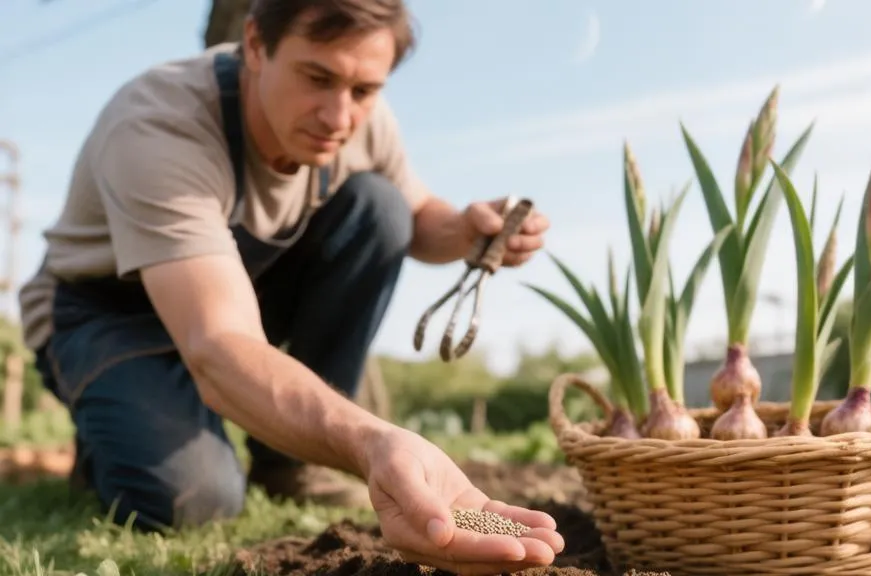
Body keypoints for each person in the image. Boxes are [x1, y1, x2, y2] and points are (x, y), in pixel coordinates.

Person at [17, 0, 563, 573]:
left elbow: (417, 212)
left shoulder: (359, 116)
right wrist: (373, 442)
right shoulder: (160, 123)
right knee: (194, 500)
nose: (338, 116)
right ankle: (113, 427)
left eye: (364, 89)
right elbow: (220, 343)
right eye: (317, 77)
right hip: (106, 312)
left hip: (233, 289)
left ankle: (290, 464)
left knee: (379, 209)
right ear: (255, 44)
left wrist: (463, 230)